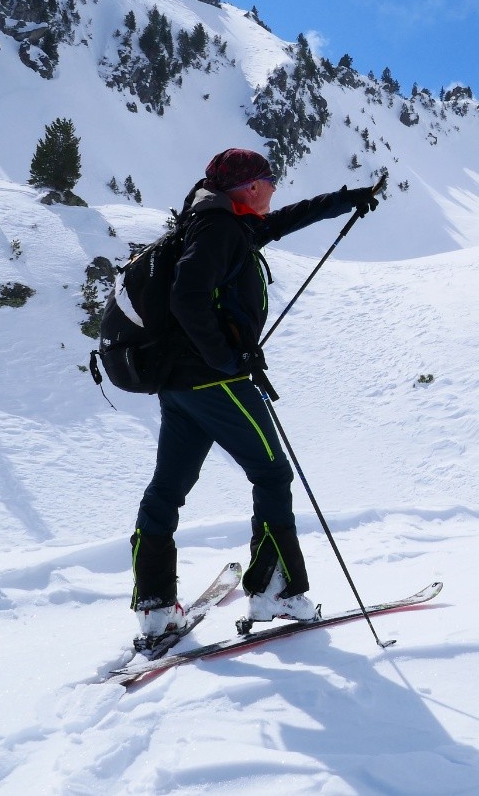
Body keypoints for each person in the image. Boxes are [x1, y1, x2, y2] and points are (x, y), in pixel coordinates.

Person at [131, 147, 387, 640]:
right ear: (249, 187)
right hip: (213, 381)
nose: (274, 188)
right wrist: (228, 360)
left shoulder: (221, 222)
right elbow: (187, 297)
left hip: (180, 386)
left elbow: (286, 220)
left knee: (167, 490)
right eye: (269, 180)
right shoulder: (221, 229)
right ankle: (276, 589)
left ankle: (155, 605)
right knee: (272, 473)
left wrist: (345, 201)